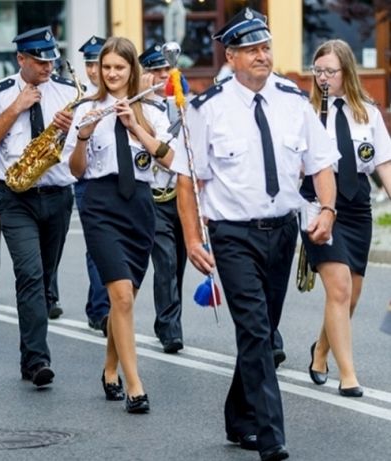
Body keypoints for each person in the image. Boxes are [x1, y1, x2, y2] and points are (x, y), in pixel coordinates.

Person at [170, 8, 338, 460]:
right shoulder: (208, 109)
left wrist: (327, 208)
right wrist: (192, 239)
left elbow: (322, 163)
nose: (263, 56)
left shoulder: (293, 100)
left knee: (262, 333)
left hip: (283, 233)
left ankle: (237, 416)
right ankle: (271, 436)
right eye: (252, 49)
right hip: (233, 235)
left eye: (266, 47)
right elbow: (187, 181)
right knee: (256, 329)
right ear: (232, 55)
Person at [65, 36, 174, 413]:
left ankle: (110, 368)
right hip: (100, 205)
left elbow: (170, 159)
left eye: (118, 68)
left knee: (123, 301)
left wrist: (135, 127)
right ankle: (135, 385)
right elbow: (76, 170)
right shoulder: (86, 109)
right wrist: (82, 136)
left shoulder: (152, 111)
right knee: (122, 296)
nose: (110, 73)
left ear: (132, 71)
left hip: (139, 207)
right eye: (105, 67)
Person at [0, 25, 77, 388]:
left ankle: (28, 351)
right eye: (40, 60)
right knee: (29, 275)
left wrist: (69, 128)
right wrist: (16, 108)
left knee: (45, 280)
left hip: (58, 194)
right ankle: (37, 360)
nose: (48, 67)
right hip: (16, 197)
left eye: (51, 59)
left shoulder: (67, 93)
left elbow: (81, 145)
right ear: (21, 59)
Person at [303, 39, 391, 397]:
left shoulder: (366, 111)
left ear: (346, 73)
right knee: (337, 288)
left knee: (350, 297)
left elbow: (383, 161)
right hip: (318, 206)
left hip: (358, 207)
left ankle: (321, 351)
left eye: (331, 71)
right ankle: (349, 375)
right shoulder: (305, 112)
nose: (324, 78)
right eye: (318, 70)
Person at [137, 44, 187, 354]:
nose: (160, 76)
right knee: (166, 261)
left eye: (163, 70)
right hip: (153, 194)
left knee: (179, 261)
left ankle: (167, 318)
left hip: (179, 194)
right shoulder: (136, 109)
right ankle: (170, 329)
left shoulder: (180, 104)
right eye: (153, 71)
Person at [76, 35, 110, 335]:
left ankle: (96, 305)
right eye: (88, 64)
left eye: (96, 63)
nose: (92, 70)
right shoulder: (79, 99)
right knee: (95, 248)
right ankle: (102, 311)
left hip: (115, 182)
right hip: (86, 182)